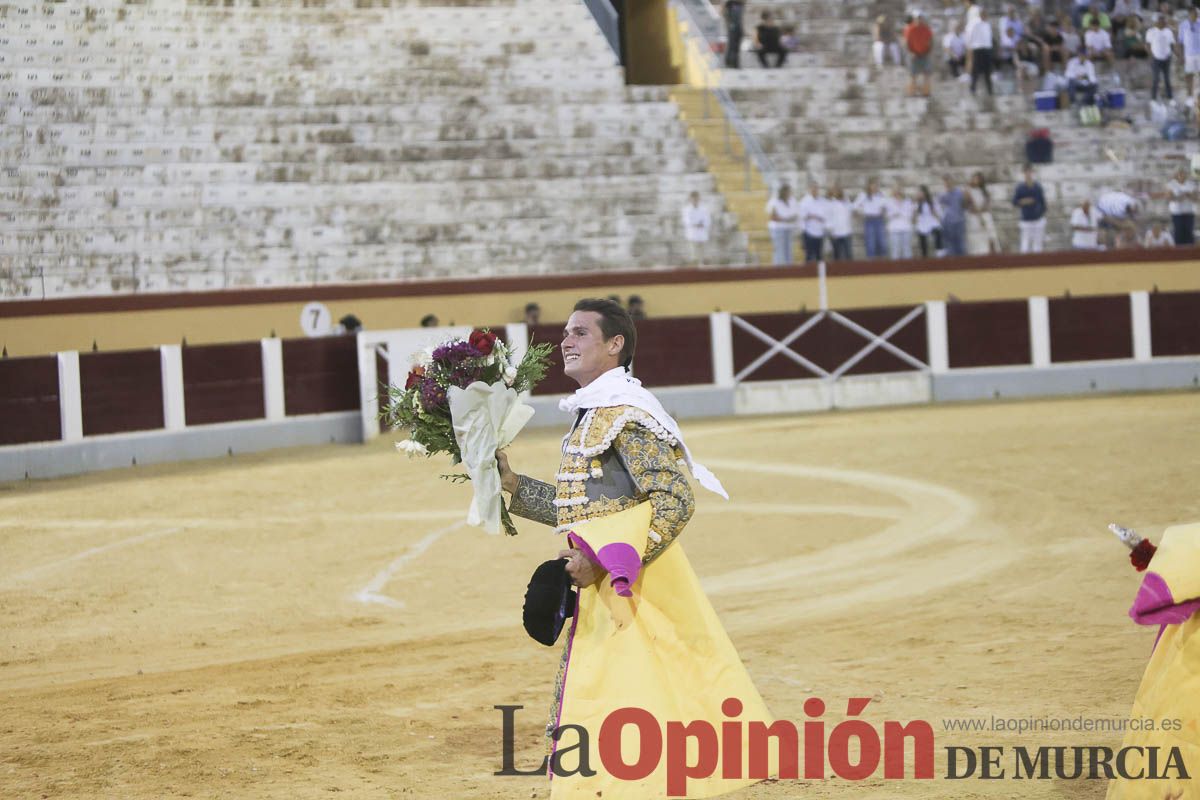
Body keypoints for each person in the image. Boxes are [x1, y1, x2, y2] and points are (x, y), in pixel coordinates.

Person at [496, 298, 776, 797]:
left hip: (634, 583)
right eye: (566, 332)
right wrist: (514, 484)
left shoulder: (627, 414)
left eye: (581, 332)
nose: (566, 340)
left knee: (643, 693)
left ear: (615, 343)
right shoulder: (595, 412)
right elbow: (585, 505)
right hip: (612, 584)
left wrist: (605, 561)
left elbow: (674, 498)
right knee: (638, 696)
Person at [1012, 165, 1048, 253]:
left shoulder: (1037, 187)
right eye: (1026, 172)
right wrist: (1024, 201)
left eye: (1030, 172)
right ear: (1023, 174)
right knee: (1025, 243)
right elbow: (1014, 202)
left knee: (1038, 243)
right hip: (1026, 219)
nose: (1028, 174)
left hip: (1037, 218)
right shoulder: (1020, 188)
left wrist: (1040, 213)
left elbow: (1043, 202)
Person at [966, 172, 1001, 254]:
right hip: (974, 218)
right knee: (977, 239)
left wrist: (982, 214)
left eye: (978, 179)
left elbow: (986, 205)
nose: (976, 180)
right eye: (975, 178)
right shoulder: (968, 191)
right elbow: (971, 206)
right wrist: (979, 217)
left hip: (985, 216)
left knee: (991, 237)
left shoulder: (985, 191)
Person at [854, 178, 888, 258]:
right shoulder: (864, 195)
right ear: (869, 186)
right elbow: (855, 206)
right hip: (869, 220)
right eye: (872, 185)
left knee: (882, 243)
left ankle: (883, 263)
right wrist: (862, 213)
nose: (874, 186)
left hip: (879, 220)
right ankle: (871, 263)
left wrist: (884, 210)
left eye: (876, 185)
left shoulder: (881, 195)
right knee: (870, 243)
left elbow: (887, 206)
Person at [766, 183, 799, 265]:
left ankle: (789, 268)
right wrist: (786, 219)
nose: (788, 193)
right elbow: (773, 217)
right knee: (779, 249)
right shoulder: (774, 201)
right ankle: (778, 269)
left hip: (789, 228)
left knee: (789, 249)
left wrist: (784, 219)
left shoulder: (792, 200)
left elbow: (795, 215)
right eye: (786, 191)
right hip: (777, 229)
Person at [904, 11, 935, 95]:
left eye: (920, 18)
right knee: (912, 75)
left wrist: (929, 52)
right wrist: (911, 53)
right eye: (917, 18)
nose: (919, 20)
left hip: (924, 54)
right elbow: (906, 42)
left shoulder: (926, 29)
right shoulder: (910, 29)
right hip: (914, 55)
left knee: (927, 74)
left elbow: (931, 41)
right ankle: (911, 92)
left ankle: (926, 92)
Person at [1146, 15, 1176, 101]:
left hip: (1167, 58)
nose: (1163, 23)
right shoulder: (1151, 31)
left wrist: (1175, 54)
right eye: (1161, 21)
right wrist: (1150, 56)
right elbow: (1148, 45)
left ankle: (1170, 97)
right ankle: (1153, 98)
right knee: (1156, 79)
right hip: (1156, 58)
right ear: (1157, 22)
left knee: (1167, 79)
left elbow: (1172, 44)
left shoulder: (1169, 32)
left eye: (1164, 21)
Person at [1164, 168, 1197, 246]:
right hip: (1177, 212)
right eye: (1180, 174)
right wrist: (1178, 198)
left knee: (1188, 231)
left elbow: (1196, 198)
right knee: (1179, 231)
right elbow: (1168, 197)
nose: (1182, 176)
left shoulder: (1191, 184)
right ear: (1177, 175)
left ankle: (1190, 249)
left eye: (1183, 174)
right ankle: (1179, 249)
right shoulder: (1171, 184)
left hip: (1189, 211)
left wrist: (1189, 195)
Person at [967, 7, 995, 95]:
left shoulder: (987, 24)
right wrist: (970, 48)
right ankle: (973, 88)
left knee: (988, 70)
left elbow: (988, 37)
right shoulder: (974, 23)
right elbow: (969, 36)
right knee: (976, 70)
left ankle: (989, 89)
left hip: (987, 49)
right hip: (978, 49)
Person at [938, 176, 968, 256]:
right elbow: (939, 206)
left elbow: (964, 205)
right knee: (949, 244)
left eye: (949, 181)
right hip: (947, 222)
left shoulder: (960, 192)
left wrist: (966, 197)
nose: (948, 184)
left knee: (960, 243)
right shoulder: (942, 194)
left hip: (959, 221)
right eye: (946, 182)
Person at [681, 191, 712, 265]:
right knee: (694, 255)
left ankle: (706, 269)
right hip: (692, 234)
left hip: (702, 233)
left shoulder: (704, 209)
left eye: (696, 198)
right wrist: (695, 224)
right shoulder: (687, 209)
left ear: (699, 198)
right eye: (693, 198)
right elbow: (686, 221)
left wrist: (702, 224)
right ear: (690, 199)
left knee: (705, 255)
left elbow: (708, 219)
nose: (695, 200)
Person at [798, 182, 827, 262]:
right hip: (808, 232)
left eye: (816, 188)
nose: (814, 190)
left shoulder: (823, 201)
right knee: (809, 255)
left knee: (819, 255)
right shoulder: (804, 201)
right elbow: (802, 216)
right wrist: (812, 216)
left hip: (820, 231)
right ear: (809, 190)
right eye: (813, 189)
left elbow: (826, 214)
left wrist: (818, 217)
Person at [885, 184, 916, 259]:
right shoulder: (889, 201)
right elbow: (887, 214)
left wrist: (900, 213)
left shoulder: (908, 201)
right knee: (895, 249)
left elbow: (910, 213)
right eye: (895, 190)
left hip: (906, 227)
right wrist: (895, 214)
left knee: (907, 249)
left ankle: (908, 268)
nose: (897, 192)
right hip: (894, 228)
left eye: (899, 190)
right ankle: (895, 269)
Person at [825, 184, 854, 260]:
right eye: (835, 191)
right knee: (837, 256)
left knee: (849, 255)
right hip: (836, 233)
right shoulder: (830, 203)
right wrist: (831, 232)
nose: (837, 192)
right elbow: (828, 218)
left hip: (847, 232)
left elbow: (852, 210)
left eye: (838, 190)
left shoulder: (847, 202)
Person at [915, 186, 943, 258]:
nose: (919, 194)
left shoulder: (933, 202)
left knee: (938, 234)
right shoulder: (917, 204)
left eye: (921, 192)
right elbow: (915, 217)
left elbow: (939, 215)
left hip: (932, 223)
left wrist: (934, 212)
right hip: (922, 225)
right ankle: (925, 257)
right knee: (922, 240)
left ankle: (940, 254)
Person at [1181, 8, 1200, 96]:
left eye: (1197, 14)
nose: (1196, 15)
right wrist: (1181, 56)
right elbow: (1180, 41)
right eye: (1194, 13)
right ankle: (1189, 97)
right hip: (1188, 55)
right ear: (1189, 14)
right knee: (1189, 76)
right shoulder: (1183, 25)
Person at [723, 0, 745, 69]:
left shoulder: (741, 4)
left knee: (737, 47)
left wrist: (742, 28)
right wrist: (728, 24)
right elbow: (724, 13)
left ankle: (736, 63)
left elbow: (741, 18)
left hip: (739, 27)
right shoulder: (729, 3)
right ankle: (729, 63)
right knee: (732, 46)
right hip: (732, 27)